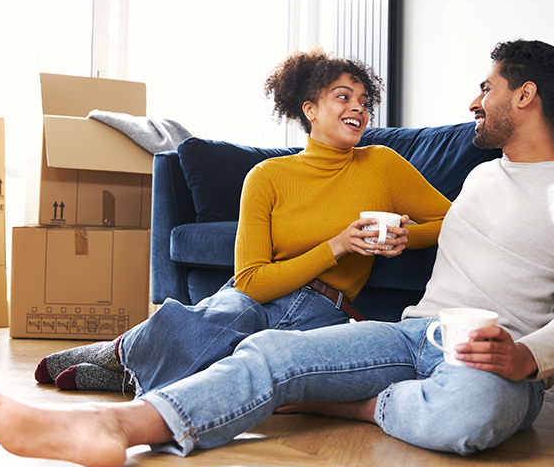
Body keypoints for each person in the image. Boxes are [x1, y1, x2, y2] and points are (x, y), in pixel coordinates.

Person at [0, 39, 554, 467]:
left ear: (524, 96)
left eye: (485, 87)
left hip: (492, 359)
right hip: (412, 334)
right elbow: (260, 276)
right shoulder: (478, 179)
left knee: (471, 414)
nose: (473, 102)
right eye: (341, 97)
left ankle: (336, 400)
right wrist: (385, 239)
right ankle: (114, 427)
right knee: (262, 346)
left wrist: (527, 356)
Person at [32, 48, 451, 395]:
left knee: (242, 354)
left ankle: (123, 363)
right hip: (256, 294)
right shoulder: (268, 176)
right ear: (310, 109)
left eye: (363, 100)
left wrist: (406, 236)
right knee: (229, 316)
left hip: (324, 306)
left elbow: (454, 219)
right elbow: (250, 280)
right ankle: (121, 357)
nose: (357, 107)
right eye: (344, 97)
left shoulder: (382, 164)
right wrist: (337, 246)